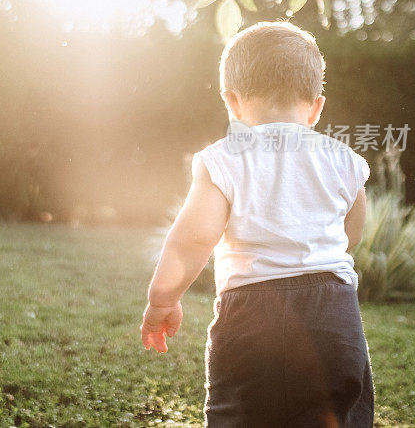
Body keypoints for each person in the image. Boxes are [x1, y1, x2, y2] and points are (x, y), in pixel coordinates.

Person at [140, 22, 374, 427]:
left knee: (243, 416)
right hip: (334, 317)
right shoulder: (345, 160)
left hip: (252, 314)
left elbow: (193, 239)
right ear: (316, 107)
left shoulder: (225, 158)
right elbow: (351, 234)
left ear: (231, 102)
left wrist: (164, 298)